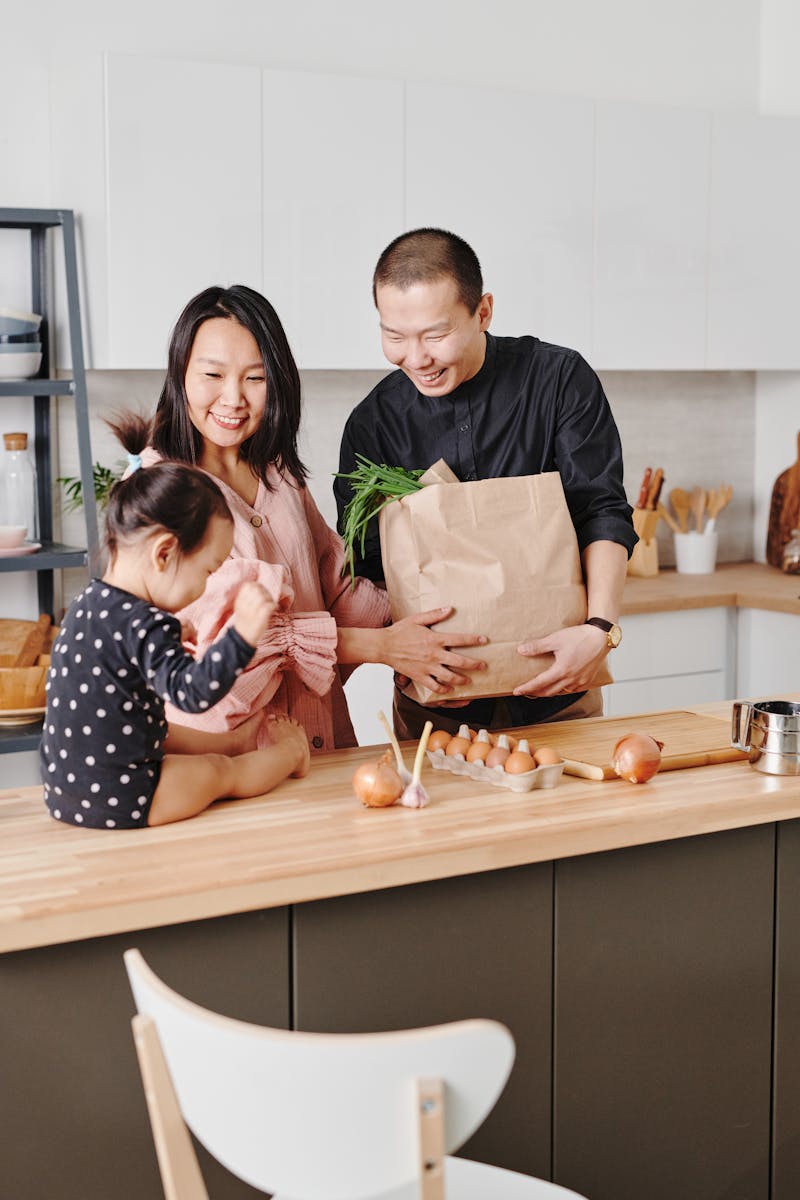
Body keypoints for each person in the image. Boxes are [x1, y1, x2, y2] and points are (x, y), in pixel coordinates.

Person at [138, 284, 485, 753]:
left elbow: (337, 586)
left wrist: (423, 642)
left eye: (255, 379)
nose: (233, 398)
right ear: (180, 374)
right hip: (227, 758)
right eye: (213, 375)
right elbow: (238, 644)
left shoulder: (278, 473)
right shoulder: (157, 492)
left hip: (320, 739)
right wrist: (385, 648)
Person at [334, 227, 638, 739]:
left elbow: (601, 509)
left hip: (560, 692)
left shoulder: (559, 380)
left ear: (484, 312)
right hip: (434, 709)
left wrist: (600, 630)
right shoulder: (373, 423)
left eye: (435, 335)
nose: (416, 357)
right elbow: (365, 568)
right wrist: (405, 650)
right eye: (394, 336)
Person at [41, 415, 310, 830]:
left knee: (152, 723)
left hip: (65, 791)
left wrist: (169, 636)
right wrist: (242, 633)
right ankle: (291, 755)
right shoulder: (148, 625)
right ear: (164, 553)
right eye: (206, 572)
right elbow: (194, 694)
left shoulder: (89, 603)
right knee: (220, 772)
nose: (204, 588)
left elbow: (122, 666)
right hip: (124, 796)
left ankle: (234, 741)